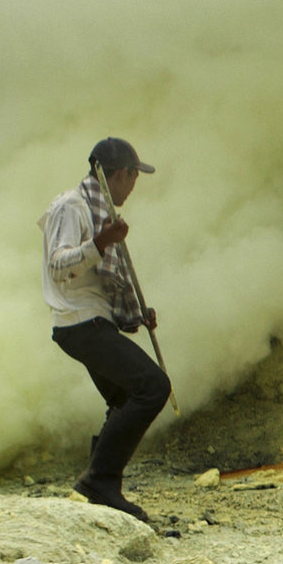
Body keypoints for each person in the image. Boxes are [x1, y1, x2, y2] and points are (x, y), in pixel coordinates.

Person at [42, 137, 170, 523]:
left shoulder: (96, 209)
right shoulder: (73, 205)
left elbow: (96, 280)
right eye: (133, 176)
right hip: (79, 322)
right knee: (153, 387)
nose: (133, 185)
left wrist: (134, 314)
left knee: (123, 397)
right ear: (117, 174)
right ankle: (100, 481)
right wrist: (100, 242)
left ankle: (96, 489)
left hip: (88, 319)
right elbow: (59, 266)